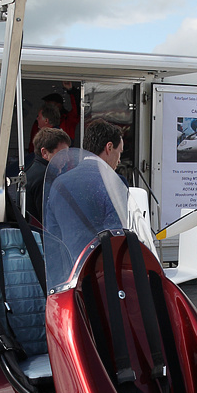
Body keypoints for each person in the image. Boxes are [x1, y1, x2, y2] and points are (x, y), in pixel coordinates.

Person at [44, 119, 127, 286]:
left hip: (67, 277)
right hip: (102, 277)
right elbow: (118, 236)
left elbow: (52, 238)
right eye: (120, 152)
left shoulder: (59, 183)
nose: (119, 160)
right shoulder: (114, 183)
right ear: (109, 147)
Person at [24, 126, 70, 225]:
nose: (67, 159)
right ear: (45, 153)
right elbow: (49, 218)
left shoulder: (30, 171)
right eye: (62, 154)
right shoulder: (46, 178)